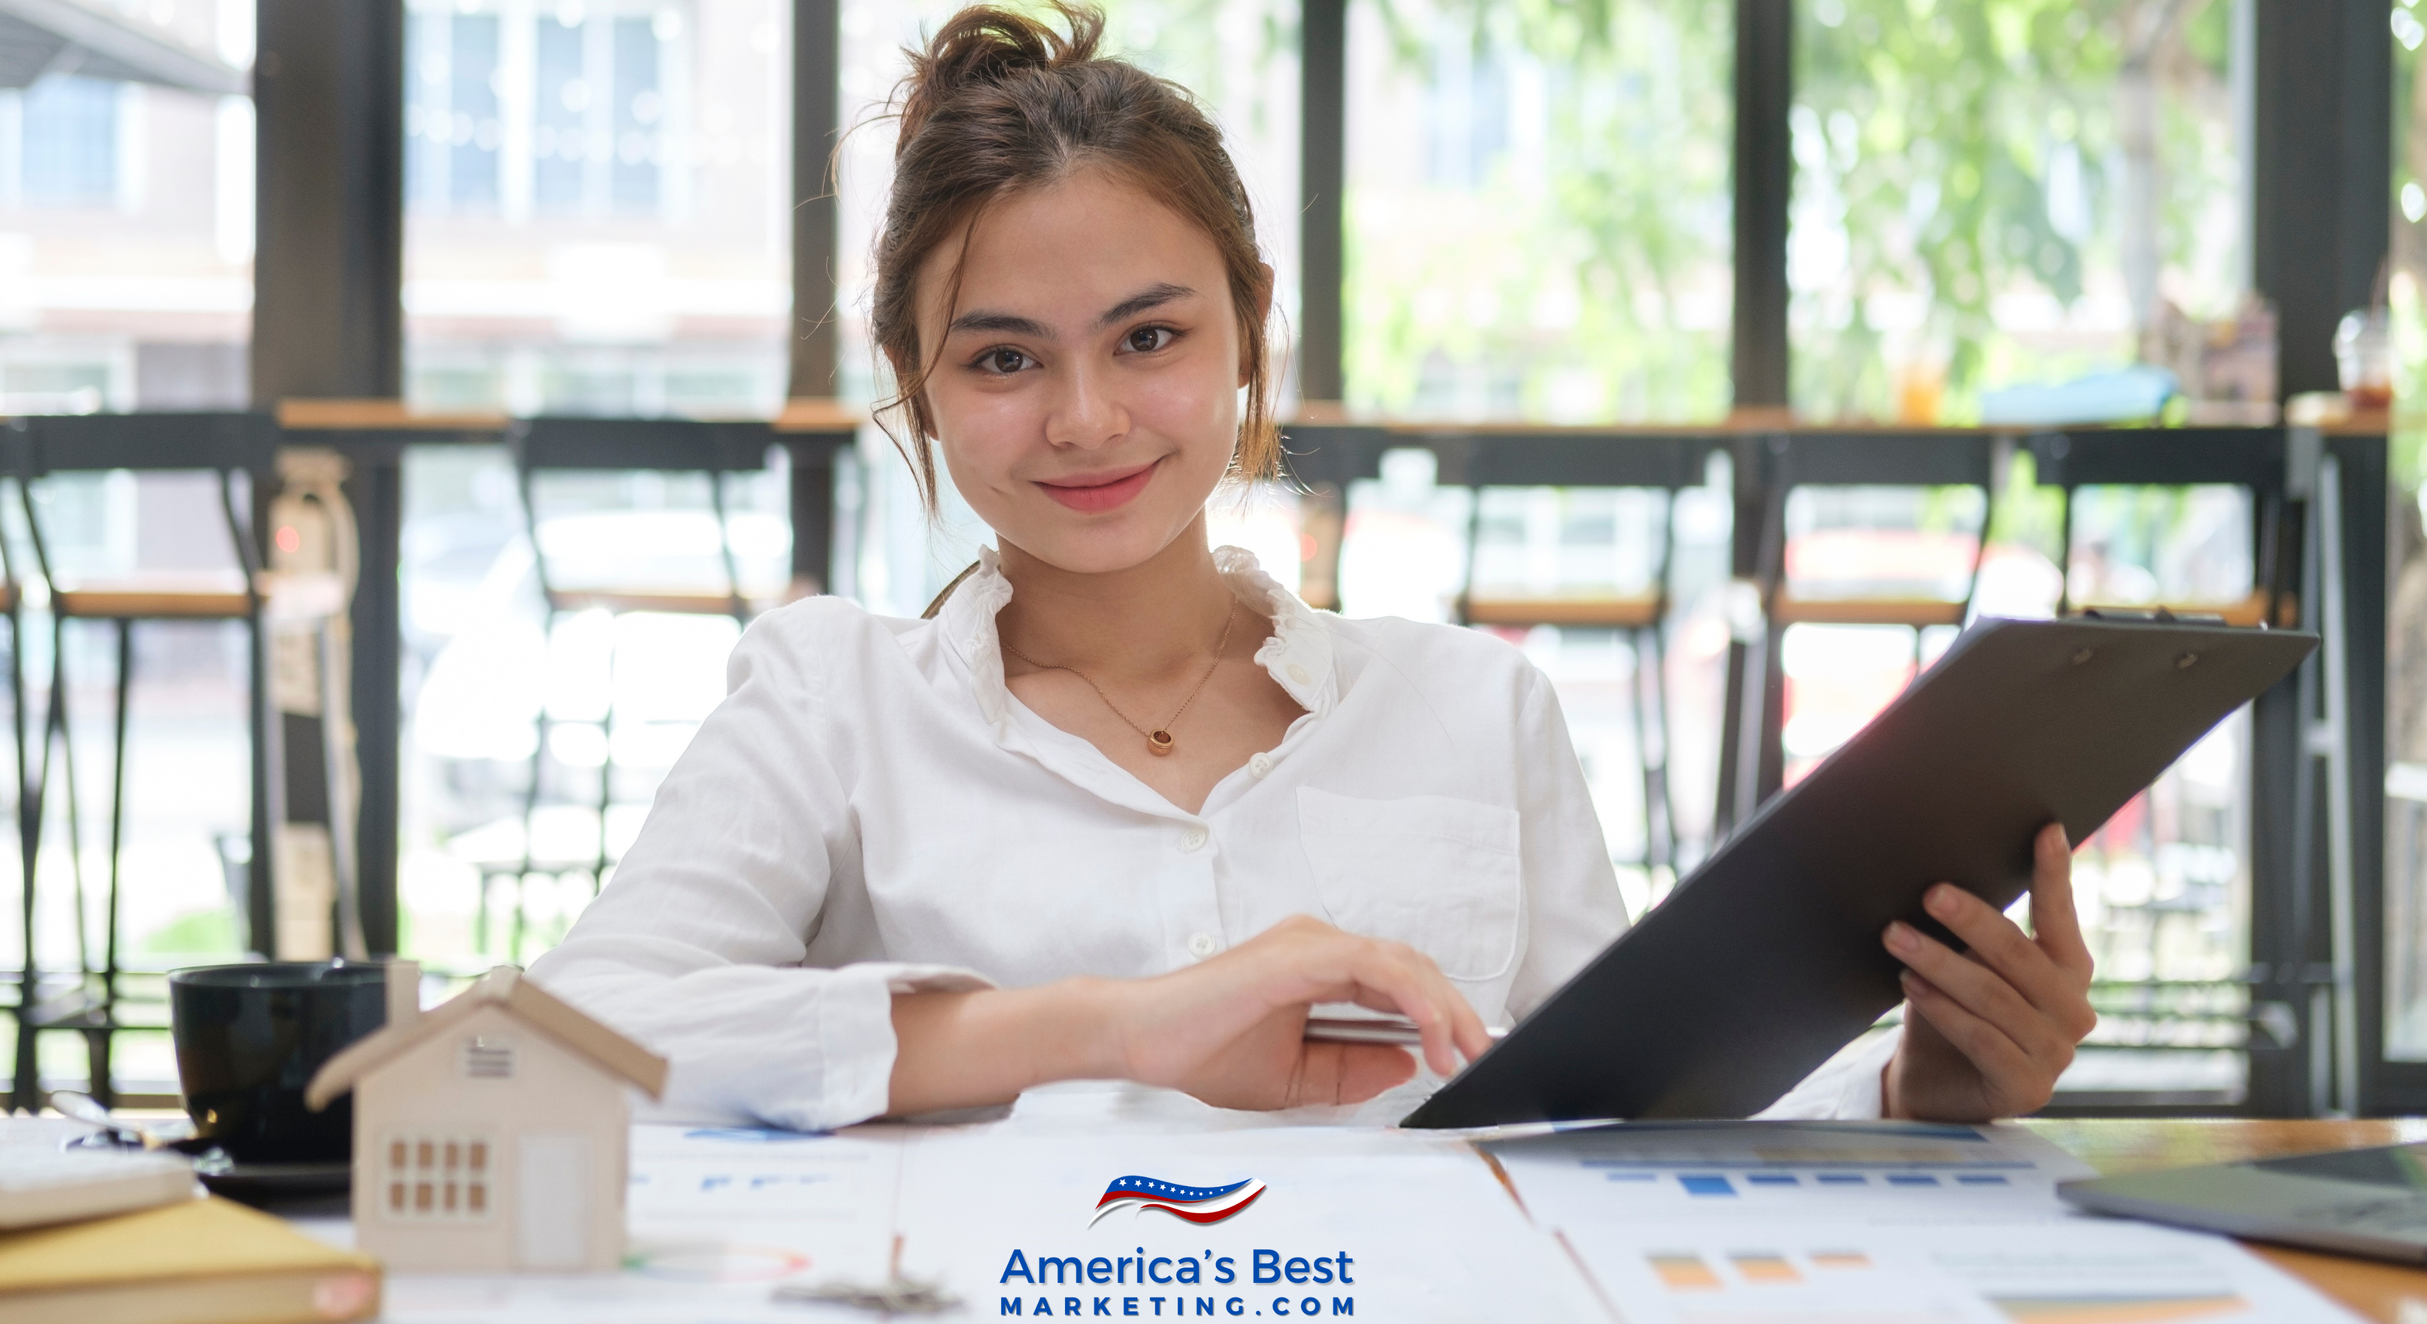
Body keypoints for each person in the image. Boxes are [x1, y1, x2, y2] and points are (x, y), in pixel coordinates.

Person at [528, 1, 2095, 1131]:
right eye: (1003, 357)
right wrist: (1120, 1031)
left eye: (1150, 336)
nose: (1085, 419)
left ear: (1250, 329)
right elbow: (574, 1036)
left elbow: (1629, 1106)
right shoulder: (829, 700)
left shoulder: (1476, 708)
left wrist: (1916, 1085)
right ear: (915, 381)